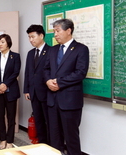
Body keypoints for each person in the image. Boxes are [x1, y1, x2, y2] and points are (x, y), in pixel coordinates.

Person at [43, 19, 89, 155]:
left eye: (58, 31)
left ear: (68, 31)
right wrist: (47, 81)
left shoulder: (81, 49)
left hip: (70, 101)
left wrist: (59, 82)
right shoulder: (52, 50)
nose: (55, 35)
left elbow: (80, 73)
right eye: (54, 32)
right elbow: (45, 70)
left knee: (71, 137)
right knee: (54, 136)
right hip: (52, 100)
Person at [0, 34, 21, 150]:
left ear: (8, 43)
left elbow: (15, 72)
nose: (0, 44)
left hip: (11, 90)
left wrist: (5, 85)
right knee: (0, 116)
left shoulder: (15, 56)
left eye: (2, 42)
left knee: (11, 117)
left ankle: (10, 140)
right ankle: (2, 139)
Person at [23, 25, 50, 144]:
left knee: (48, 121)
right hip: (33, 92)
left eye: (33, 37)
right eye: (29, 37)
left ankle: (50, 144)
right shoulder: (30, 53)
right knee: (38, 120)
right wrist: (26, 90)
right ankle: (41, 143)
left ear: (41, 36)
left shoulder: (51, 51)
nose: (30, 40)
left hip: (46, 92)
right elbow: (28, 72)